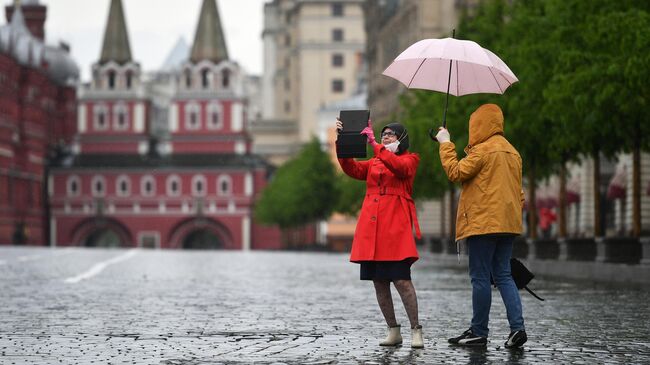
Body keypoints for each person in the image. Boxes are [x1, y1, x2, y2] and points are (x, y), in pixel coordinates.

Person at [434, 103, 527, 348]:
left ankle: (479, 331)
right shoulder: (514, 153)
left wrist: (445, 142)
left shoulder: (482, 151)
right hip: (508, 224)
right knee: (504, 275)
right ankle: (517, 328)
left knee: (480, 277)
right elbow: (519, 193)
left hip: (483, 223)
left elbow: (455, 171)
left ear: (479, 124)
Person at [336, 117, 424, 348]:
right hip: (372, 227)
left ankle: (416, 330)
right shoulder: (375, 161)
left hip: (395, 227)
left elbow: (400, 168)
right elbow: (352, 168)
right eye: (383, 134)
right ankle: (393, 330)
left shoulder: (410, 159)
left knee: (402, 281)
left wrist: (375, 144)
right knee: (379, 282)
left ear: (402, 139)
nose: (385, 137)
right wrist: (343, 141)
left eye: (390, 134)